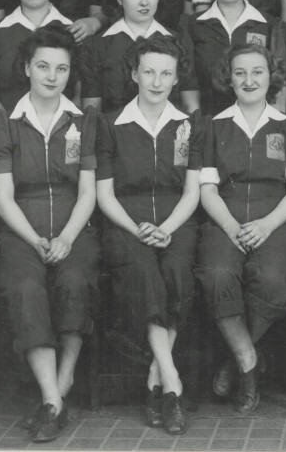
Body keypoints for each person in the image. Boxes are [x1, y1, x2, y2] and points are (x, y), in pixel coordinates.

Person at [0, 25, 100, 442]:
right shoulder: (4, 123)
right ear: (27, 68)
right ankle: (53, 397)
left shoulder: (83, 121)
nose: (52, 76)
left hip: (75, 226)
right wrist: (34, 240)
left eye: (62, 68)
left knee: (75, 280)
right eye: (43, 67)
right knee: (24, 286)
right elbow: (3, 197)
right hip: (23, 230)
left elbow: (88, 190)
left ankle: (61, 385)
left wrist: (68, 236)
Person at [95, 34, 202, 436]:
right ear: (134, 74)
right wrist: (137, 227)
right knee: (145, 276)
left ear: (176, 79)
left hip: (177, 221)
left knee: (177, 275)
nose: (157, 82)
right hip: (126, 222)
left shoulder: (189, 126)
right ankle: (171, 384)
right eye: (149, 72)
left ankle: (155, 379)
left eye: (166, 74)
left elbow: (192, 191)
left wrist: (167, 228)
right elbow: (104, 195)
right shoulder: (110, 124)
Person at [197, 44, 286, 414]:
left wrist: (267, 224)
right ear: (229, 78)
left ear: (271, 75)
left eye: (257, 71)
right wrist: (229, 226)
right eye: (240, 73)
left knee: (273, 281)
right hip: (224, 219)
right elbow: (207, 189)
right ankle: (248, 363)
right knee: (218, 275)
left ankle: (236, 359)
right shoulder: (213, 125)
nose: (249, 80)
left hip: (273, 220)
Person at [80, 0, 199, 114]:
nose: (144, 2)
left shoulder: (178, 40)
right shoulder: (97, 46)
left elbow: (191, 105)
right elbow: (92, 111)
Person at [187, 0, 278, 115]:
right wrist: (200, 128)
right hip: (208, 123)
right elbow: (189, 87)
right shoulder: (192, 25)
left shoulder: (269, 25)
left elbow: (276, 87)